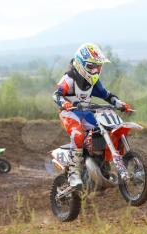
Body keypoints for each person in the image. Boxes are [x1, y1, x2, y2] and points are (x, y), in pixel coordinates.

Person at [53, 43, 132, 188]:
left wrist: (120, 104)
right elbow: (56, 95)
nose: (96, 70)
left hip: (86, 111)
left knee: (106, 129)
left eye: (98, 66)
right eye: (92, 66)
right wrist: (64, 103)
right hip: (69, 113)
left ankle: (102, 164)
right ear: (81, 64)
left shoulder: (93, 81)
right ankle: (73, 174)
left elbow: (107, 95)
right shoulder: (69, 78)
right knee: (78, 134)